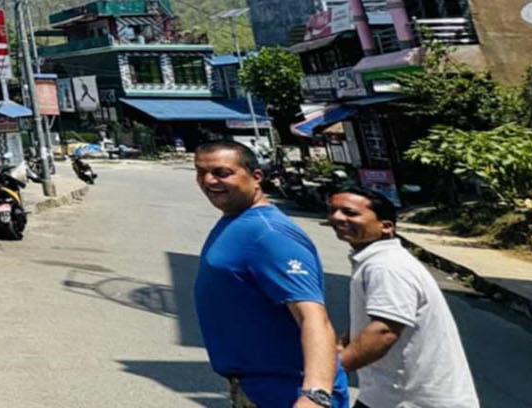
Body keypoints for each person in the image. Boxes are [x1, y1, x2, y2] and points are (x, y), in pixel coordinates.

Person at [192, 141, 348, 408]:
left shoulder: (270, 234)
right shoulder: (235, 221)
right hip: (255, 389)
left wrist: (316, 394)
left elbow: (312, 316)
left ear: (256, 177)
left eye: (222, 172)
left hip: (289, 393)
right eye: (201, 172)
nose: (208, 181)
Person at [326, 187, 479, 408]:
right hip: (386, 396)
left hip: (414, 401)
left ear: (386, 226)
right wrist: (343, 344)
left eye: (350, 213)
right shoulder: (377, 260)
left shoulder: (387, 266)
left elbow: (384, 331)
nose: (337, 217)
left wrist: (327, 372)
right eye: (333, 210)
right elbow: (375, 318)